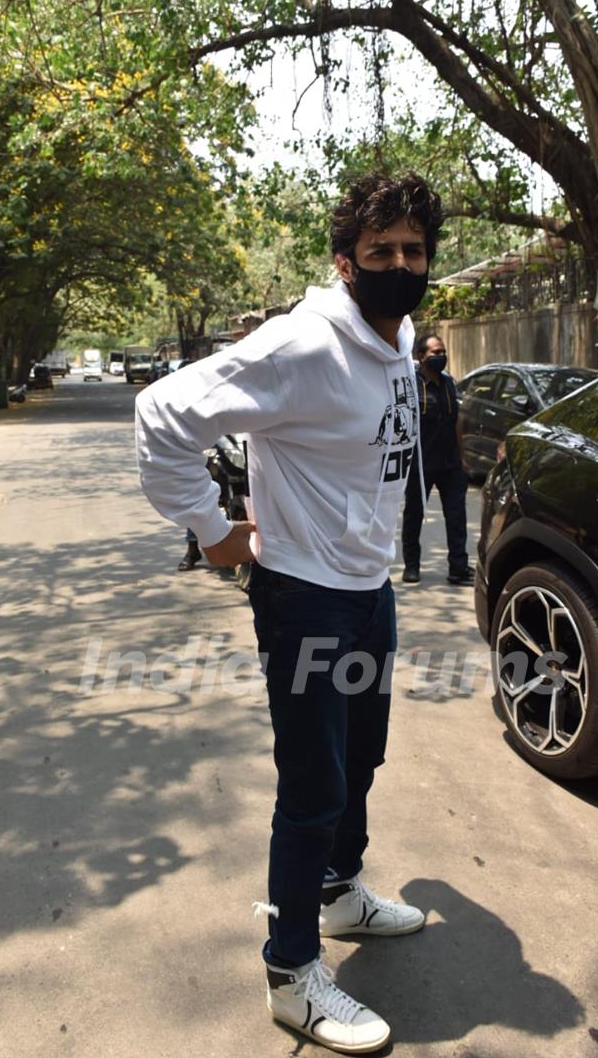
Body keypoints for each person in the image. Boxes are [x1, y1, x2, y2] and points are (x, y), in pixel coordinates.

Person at [134, 171, 443, 1054]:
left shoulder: (399, 332)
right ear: (345, 262)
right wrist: (211, 530)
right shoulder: (302, 346)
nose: (398, 265)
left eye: (413, 251)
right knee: (313, 787)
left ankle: (340, 892)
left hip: (367, 587)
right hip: (303, 593)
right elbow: (163, 414)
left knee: (365, 753)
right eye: (380, 251)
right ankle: (291, 971)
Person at [401, 334, 474, 586]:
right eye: (435, 353)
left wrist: (462, 458)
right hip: (420, 466)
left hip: (450, 464)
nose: (441, 356)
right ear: (421, 357)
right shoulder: (411, 386)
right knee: (414, 515)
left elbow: (458, 422)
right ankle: (411, 565)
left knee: (457, 517)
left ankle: (458, 568)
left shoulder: (448, 383)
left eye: (443, 351)